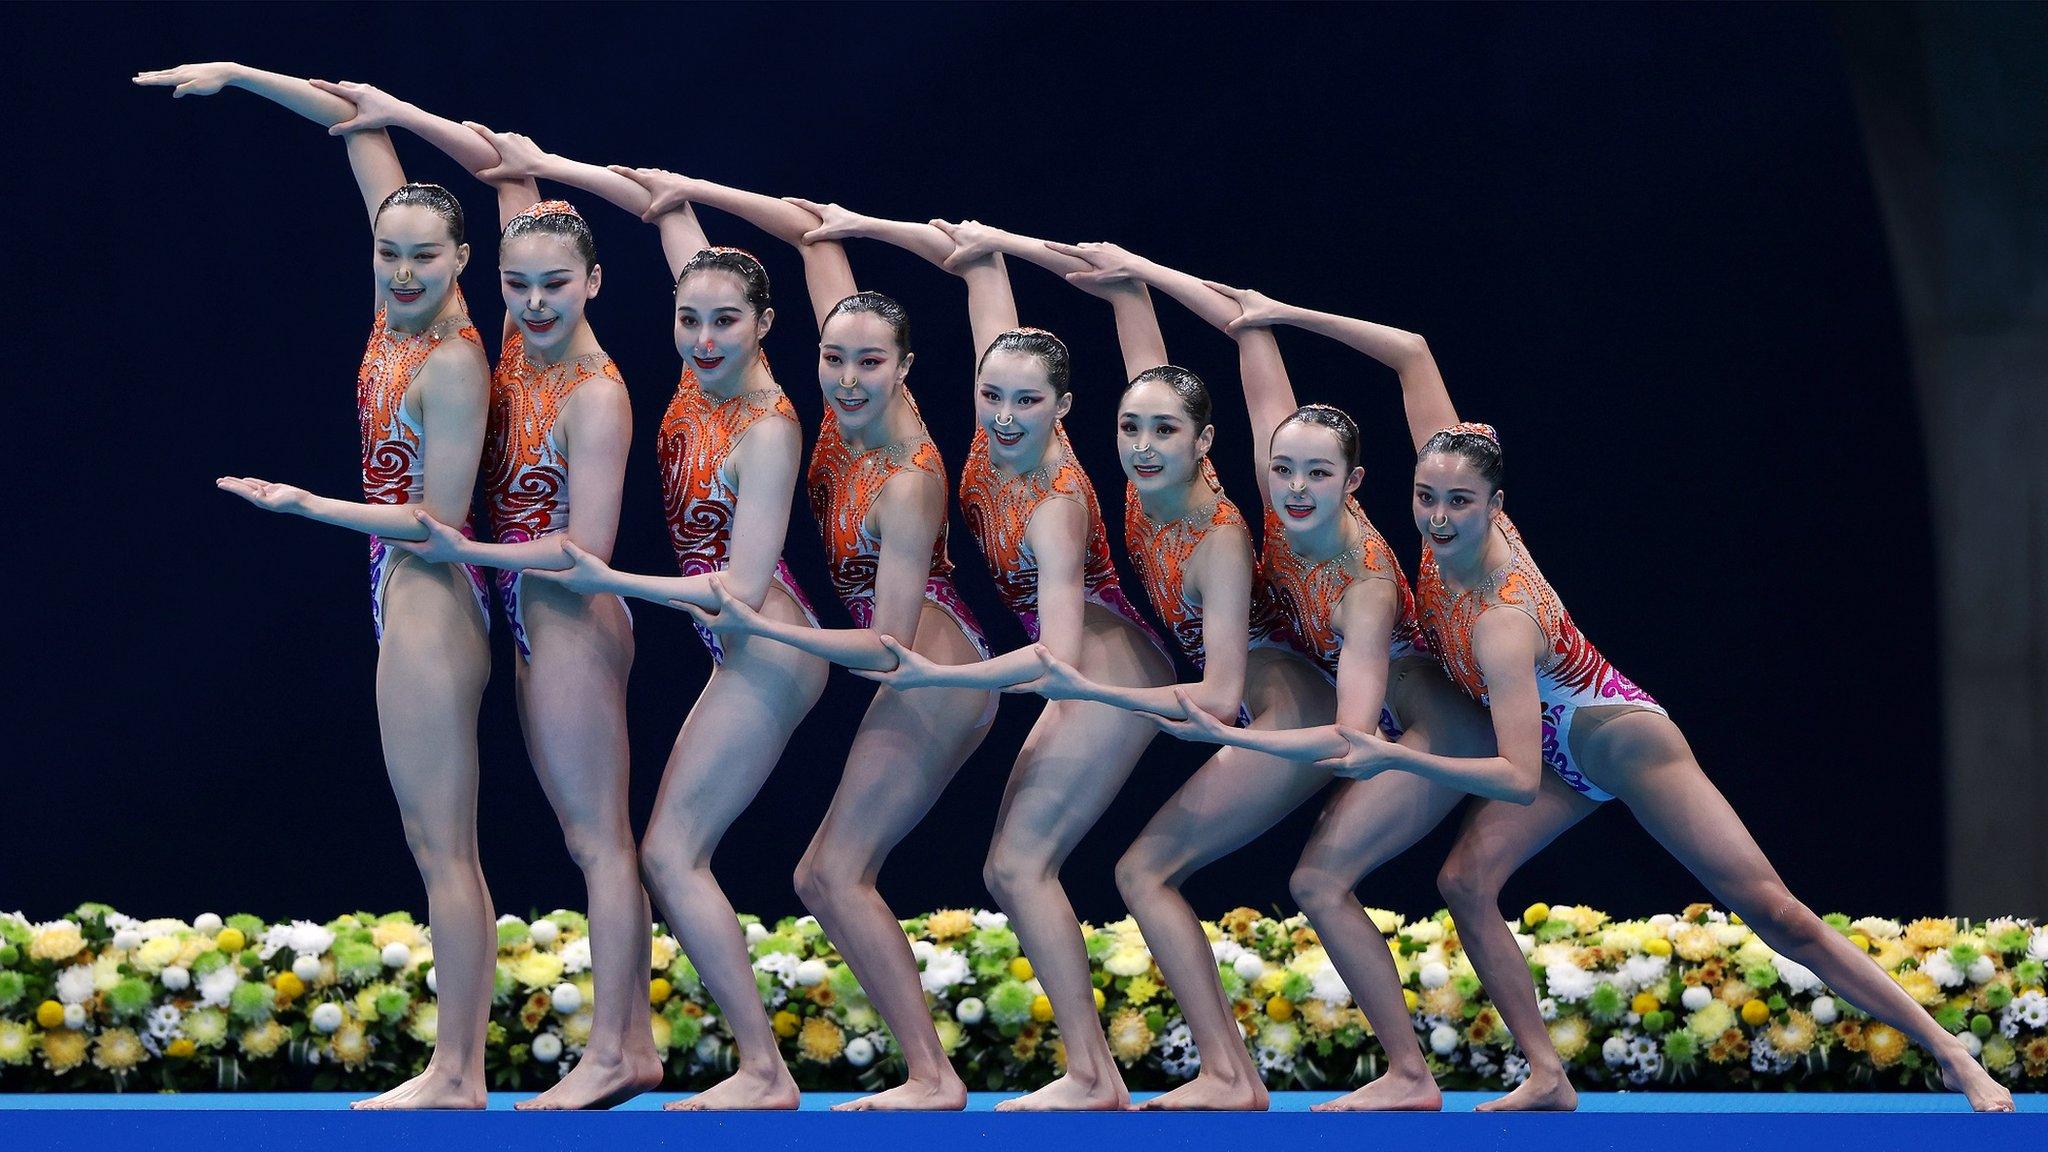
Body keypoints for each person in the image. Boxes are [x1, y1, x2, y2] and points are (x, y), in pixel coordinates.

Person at [1202, 289, 2018, 1113]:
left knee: (1775, 912)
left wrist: (1394, 755)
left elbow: (1515, 777)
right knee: (1464, 881)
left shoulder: (1501, 619)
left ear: (1497, 506)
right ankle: (1548, 1076)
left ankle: (1951, 1053)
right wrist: (1286, 316)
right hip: (1555, 754)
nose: (1440, 517)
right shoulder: (1447, 491)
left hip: (1621, 745)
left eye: (1459, 503)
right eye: (1426, 498)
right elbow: (1412, 350)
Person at [135, 62, 499, 1110]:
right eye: (387, 252)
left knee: (443, 845)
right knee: (432, 841)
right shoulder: (399, 304)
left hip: (432, 590)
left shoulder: (454, 360)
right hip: (399, 586)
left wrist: (308, 508)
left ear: (459, 260)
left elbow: (437, 523)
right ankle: (456, 1067)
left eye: (422, 257)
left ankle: (458, 1073)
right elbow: (357, 119)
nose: (398, 269)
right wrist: (241, 77)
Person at [309, 81, 658, 1110]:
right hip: (494, 591)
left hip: (559, 604)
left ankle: (557, 1058)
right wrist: (265, 85)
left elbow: (582, 555)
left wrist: (321, 510)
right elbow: (404, 162)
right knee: (560, 838)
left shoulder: (591, 389)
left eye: (554, 284)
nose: (535, 301)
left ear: (592, 283)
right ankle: (617, 1045)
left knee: (593, 840)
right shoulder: (501, 328)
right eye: (522, 286)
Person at [676, 194, 995, 1111]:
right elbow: (815, 229)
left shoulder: (909, 479)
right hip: (909, 665)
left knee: (832, 871)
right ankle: (926, 1072)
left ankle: (933, 1077)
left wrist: (754, 622)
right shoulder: (836, 407)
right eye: (834, 358)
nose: (847, 380)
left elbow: (883, 652)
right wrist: (665, 189)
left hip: (936, 675)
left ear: (905, 370)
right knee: (822, 872)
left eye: (869, 364)